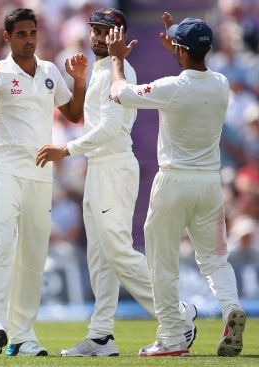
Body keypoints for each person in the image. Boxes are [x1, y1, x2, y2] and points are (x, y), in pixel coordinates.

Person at [36, 8, 197, 357]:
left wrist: (67, 148)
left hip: (114, 166)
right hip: (98, 167)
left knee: (118, 251)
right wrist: (79, 80)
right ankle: (101, 336)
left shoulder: (121, 71)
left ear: (120, 34)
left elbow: (110, 128)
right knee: (99, 256)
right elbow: (89, 118)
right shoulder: (100, 69)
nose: (97, 36)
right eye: (94, 29)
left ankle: (178, 315)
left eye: (105, 31)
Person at [106, 13, 246, 356]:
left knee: (162, 262)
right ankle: (231, 308)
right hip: (210, 184)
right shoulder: (222, 83)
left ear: (181, 51)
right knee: (215, 260)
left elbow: (119, 94)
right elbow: (193, 66)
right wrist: (179, 49)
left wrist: (116, 59)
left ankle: (171, 337)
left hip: (173, 182)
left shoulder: (172, 87)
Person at [0, 8, 87, 357]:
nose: (28, 39)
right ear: (8, 37)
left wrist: (79, 80)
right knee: (0, 242)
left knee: (33, 254)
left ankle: (22, 336)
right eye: (21, 34)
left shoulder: (49, 71)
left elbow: (75, 115)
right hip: (4, 169)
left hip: (40, 172)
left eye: (32, 33)